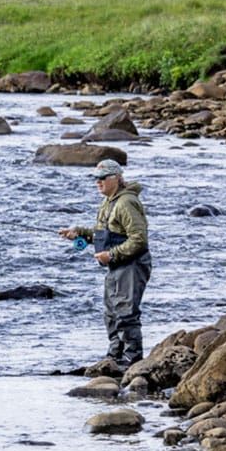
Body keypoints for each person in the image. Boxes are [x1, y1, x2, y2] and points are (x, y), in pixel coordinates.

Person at [58, 158, 151, 370]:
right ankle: (115, 356)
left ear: (117, 178)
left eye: (102, 178)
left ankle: (132, 361)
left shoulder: (126, 203)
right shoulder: (109, 201)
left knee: (126, 312)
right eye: (96, 179)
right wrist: (79, 233)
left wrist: (111, 255)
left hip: (132, 264)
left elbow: (139, 239)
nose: (98, 182)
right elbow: (105, 235)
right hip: (117, 265)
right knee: (111, 312)